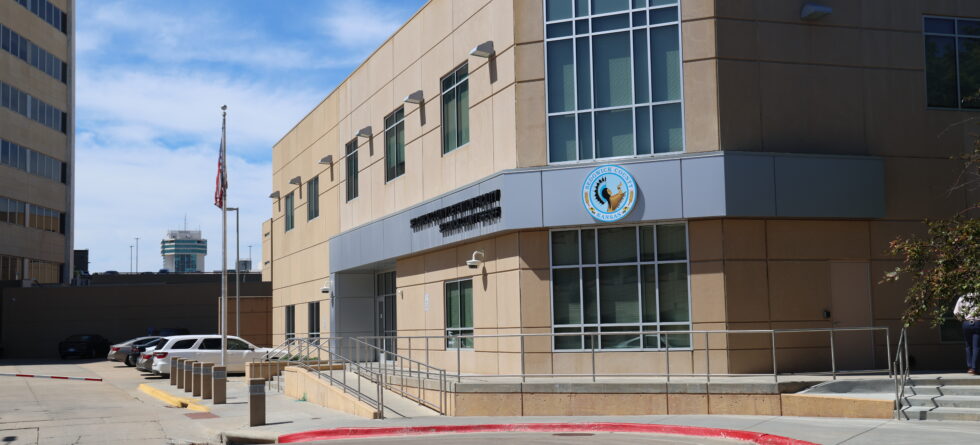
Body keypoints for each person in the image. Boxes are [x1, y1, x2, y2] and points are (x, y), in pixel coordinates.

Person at [954, 293, 980, 375]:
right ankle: (974, 368)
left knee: (968, 346)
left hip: (966, 323)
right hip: (978, 322)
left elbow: (956, 312)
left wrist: (962, 319)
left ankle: (970, 367)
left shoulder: (963, 297)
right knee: (977, 346)